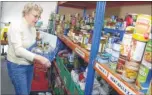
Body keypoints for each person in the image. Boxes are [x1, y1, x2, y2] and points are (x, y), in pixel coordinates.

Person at [7, 3, 51, 95]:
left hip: (29, 65)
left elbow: (31, 46)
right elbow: (18, 50)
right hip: (17, 66)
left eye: (38, 17)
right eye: (35, 16)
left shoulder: (32, 28)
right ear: (26, 13)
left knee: (26, 92)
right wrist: (40, 58)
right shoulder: (16, 26)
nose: (37, 19)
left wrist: (41, 51)